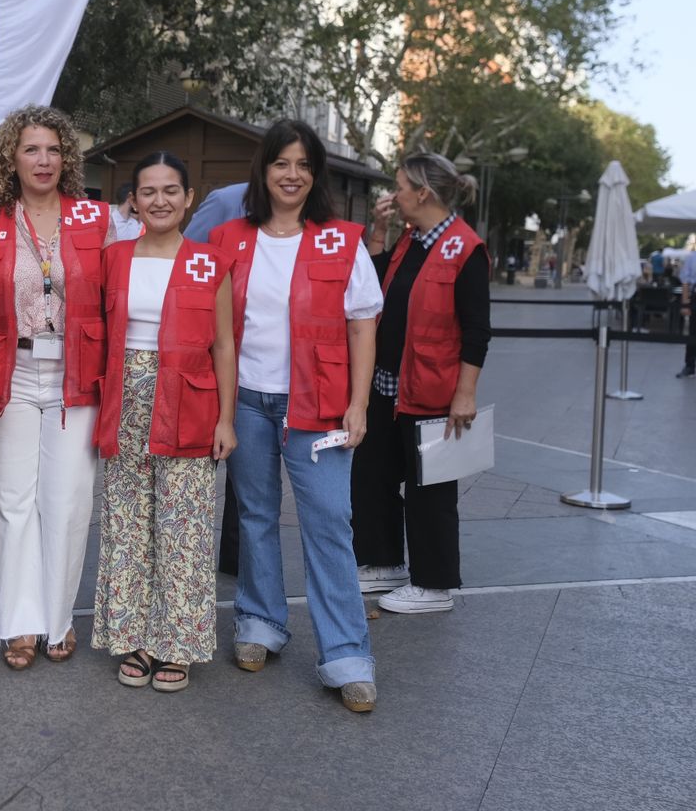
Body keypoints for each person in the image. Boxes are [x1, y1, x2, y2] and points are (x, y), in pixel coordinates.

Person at [210, 119, 382, 714]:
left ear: (315, 175)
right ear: (263, 170)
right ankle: (259, 622)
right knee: (254, 514)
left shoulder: (342, 240)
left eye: (303, 165)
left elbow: (363, 324)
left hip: (319, 406)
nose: (292, 175)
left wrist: (358, 403)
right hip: (250, 401)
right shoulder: (230, 237)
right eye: (281, 163)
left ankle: (347, 655)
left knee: (330, 523)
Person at [0, 105, 111, 670]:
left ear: (67, 158)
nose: (44, 159)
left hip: (76, 376)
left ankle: (56, 620)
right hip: (13, 372)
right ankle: (17, 623)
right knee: (10, 501)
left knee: (68, 502)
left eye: (54, 149)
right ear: (11, 156)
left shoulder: (97, 220)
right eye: (31, 149)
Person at [92, 152, 236, 691]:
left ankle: (176, 643)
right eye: (148, 192)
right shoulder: (115, 257)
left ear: (189, 198)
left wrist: (226, 418)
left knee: (185, 525)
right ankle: (131, 637)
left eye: (171, 190)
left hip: (190, 398)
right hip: (125, 398)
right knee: (128, 520)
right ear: (134, 199)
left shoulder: (208, 261)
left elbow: (224, 344)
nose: (160, 201)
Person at [352, 152, 489, 614]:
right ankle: (384, 561)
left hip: (432, 388)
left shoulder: (464, 248)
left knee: (430, 488)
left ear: (423, 193)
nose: (395, 195)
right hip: (389, 384)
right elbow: (373, 282)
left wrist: (465, 393)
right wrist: (378, 231)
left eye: (400, 187)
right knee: (374, 476)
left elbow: (476, 329)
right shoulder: (412, 239)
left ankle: (433, 584)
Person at [183, 181, 250, 577]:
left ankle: (240, 558)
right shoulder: (228, 200)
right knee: (237, 465)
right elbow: (183, 253)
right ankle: (234, 557)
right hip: (221, 345)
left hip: (278, 356)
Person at [678, 249, 696, 379]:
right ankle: (689, 365)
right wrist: (685, 303)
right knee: (693, 332)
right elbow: (685, 280)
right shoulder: (692, 257)